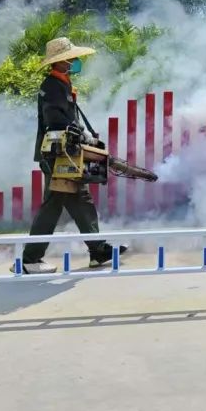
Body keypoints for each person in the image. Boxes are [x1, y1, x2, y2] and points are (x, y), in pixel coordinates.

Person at [19, 36, 125, 274]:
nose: (75, 61)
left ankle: (98, 251)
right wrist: (83, 136)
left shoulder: (62, 84)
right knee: (53, 206)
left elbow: (70, 121)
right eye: (71, 58)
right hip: (57, 156)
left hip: (66, 154)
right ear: (61, 62)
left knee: (81, 200)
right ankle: (30, 259)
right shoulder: (52, 86)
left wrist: (84, 135)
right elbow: (56, 121)